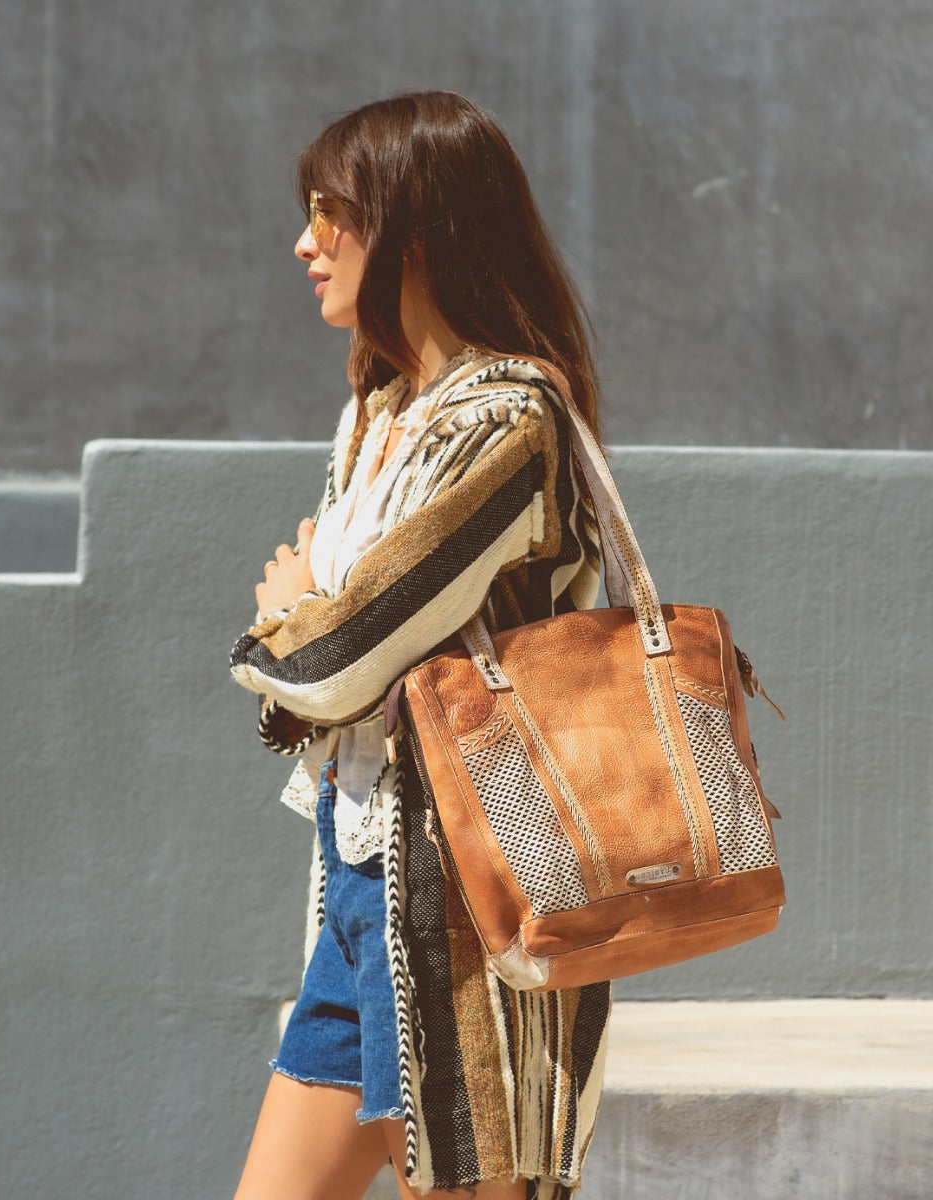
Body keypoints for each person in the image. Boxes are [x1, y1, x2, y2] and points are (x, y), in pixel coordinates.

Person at [229, 91, 611, 1200]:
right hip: (361, 883)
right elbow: (341, 659)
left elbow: (343, 647)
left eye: (329, 212)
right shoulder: (380, 412)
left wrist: (287, 623)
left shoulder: (506, 422)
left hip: (469, 895)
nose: (304, 242)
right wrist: (312, 644)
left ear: (415, 227)